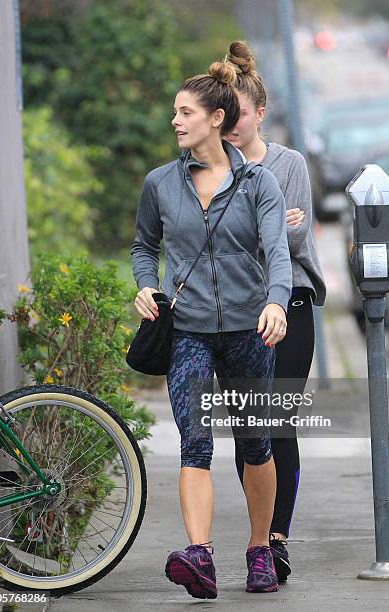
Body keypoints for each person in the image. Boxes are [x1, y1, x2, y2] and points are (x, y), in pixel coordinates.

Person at [130, 60, 293, 598]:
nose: (174, 120)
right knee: (194, 442)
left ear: (216, 118)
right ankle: (199, 555)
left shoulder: (258, 183)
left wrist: (276, 302)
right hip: (189, 333)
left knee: (254, 443)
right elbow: (143, 247)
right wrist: (145, 285)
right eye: (175, 111)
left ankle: (259, 548)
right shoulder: (160, 183)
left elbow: (277, 252)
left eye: (185, 112)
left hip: (250, 331)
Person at [221, 40, 326, 582]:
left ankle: (274, 539)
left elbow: (297, 236)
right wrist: (264, 229)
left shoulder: (290, 165)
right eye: (224, 114)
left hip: (294, 307)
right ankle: (258, 535)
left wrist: (263, 235)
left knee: (277, 423)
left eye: (240, 113)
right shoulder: (211, 169)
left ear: (260, 112)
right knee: (247, 427)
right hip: (236, 315)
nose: (232, 124)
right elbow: (224, 244)